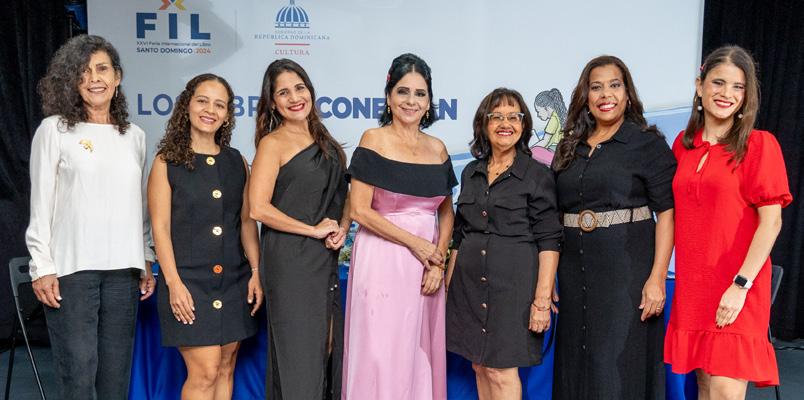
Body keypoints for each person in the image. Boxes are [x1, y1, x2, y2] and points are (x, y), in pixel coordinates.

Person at [25, 34, 155, 400]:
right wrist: (42, 266)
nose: (94, 78)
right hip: (72, 271)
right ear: (72, 80)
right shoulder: (54, 130)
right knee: (79, 379)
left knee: (115, 382)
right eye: (83, 72)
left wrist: (145, 256)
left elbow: (139, 207)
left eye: (102, 69)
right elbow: (41, 204)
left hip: (123, 273)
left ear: (117, 77)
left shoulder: (134, 136)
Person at [665, 45, 791, 400]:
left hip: (738, 286)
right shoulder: (683, 147)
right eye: (718, 83)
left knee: (723, 390)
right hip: (694, 287)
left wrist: (740, 285)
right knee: (705, 387)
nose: (727, 94)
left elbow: (772, 223)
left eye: (738, 87)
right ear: (700, 86)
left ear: (747, 96)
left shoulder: (758, 145)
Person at [551, 55, 676, 399]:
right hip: (573, 275)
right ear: (586, 96)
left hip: (626, 277)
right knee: (576, 365)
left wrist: (657, 279)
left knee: (615, 368)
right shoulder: (570, 146)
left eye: (614, 85)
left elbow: (667, 214)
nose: (606, 94)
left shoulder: (647, 143)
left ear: (628, 93)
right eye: (596, 87)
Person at [342, 53, 456, 400]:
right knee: (379, 350)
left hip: (426, 266)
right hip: (382, 259)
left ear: (429, 101)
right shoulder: (373, 139)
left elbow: (446, 213)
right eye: (403, 91)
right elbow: (359, 210)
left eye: (420, 93)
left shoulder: (438, 149)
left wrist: (437, 260)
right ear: (389, 97)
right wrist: (416, 245)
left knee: (417, 351)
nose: (411, 101)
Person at [147, 73, 262, 400]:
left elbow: (246, 223)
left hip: (234, 281)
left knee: (225, 367)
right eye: (202, 101)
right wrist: (174, 283)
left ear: (227, 115)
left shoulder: (237, 161)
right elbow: (160, 229)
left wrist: (256, 272)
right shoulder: (165, 162)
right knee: (205, 371)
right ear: (187, 105)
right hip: (188, 283)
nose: (210, 110)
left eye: (219, 105)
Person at [446, 88, 562, 399]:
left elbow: (549, 240)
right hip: (469, 288)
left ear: (524, 125)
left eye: (513, 117)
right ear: (483, 124)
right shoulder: (471, 172)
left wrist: (541, 302)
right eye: (496, 116)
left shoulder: (537, 175)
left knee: (501, 371)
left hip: (514, 292)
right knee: (480, 367)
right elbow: (459, 237)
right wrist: (448, 290)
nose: (505, 123)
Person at [249, 58, 349, 399]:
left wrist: (341, 228)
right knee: (300, 357)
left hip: (323, 259)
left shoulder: (325, 139)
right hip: (290, 261)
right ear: (272, 102)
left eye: (299, 87)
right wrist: (311, 230)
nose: (294, 97)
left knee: (326, 350)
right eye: (283, 92)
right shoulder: (272, 143)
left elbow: (343, 196)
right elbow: (257, 207)